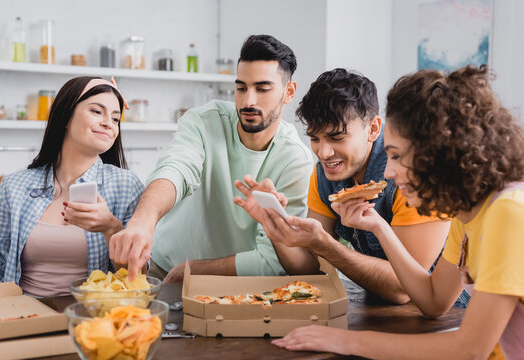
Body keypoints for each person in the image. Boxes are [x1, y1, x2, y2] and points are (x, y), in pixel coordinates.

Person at [272, 65, 524, 359]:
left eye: (397, 156)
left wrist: (347, 341)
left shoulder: (508, 213)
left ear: (442, 152)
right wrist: (380, 227)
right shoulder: (466, 216)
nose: (389, 171)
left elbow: (469, 350)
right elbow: (434, 301)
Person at [236, 68, 454, 304]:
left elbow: (404, 290)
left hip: (446, 320)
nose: (324, 152)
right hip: (381, 317)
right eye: (315, 139)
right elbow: (309, 269)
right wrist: (276, 227)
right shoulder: (322, 176)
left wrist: (327, 246)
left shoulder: (410, 177)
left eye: (337, 138)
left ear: (372, 129)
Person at [109, 34, 313, 281]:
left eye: (262, 89)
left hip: (235, 283)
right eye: (241, 88)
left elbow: (271, 261)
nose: (248, 101)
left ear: (289, 92)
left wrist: (191, 270)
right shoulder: (205, 120)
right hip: (162, 268)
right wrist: (141, 223)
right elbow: (176, 167)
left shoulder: (296, 160)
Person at [0, 76, 144, 297]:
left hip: (92, 319)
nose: (109, 123)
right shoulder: (14, 186)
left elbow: (137, 278)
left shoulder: (126, 186)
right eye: (97, 111)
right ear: (66, 116)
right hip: (24, 315)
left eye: (116, 118)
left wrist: (111, 228)